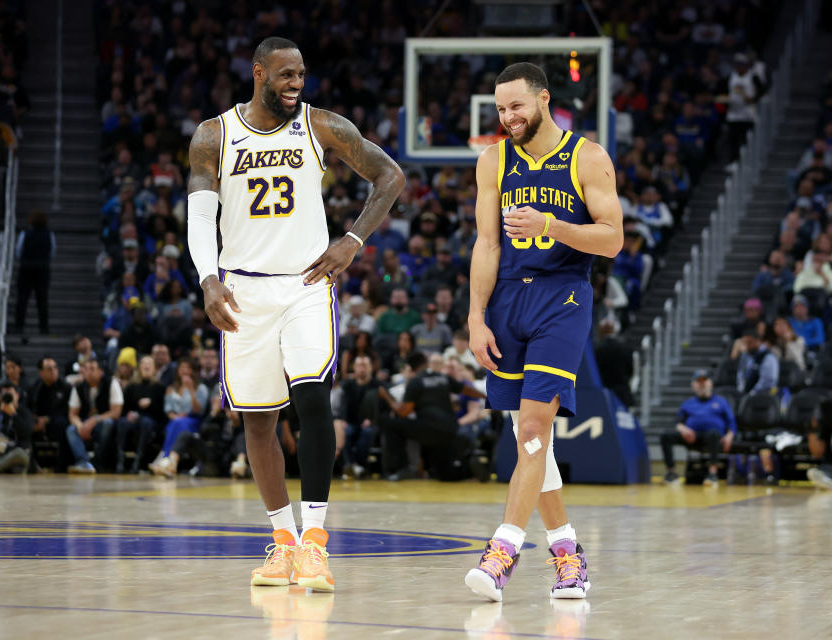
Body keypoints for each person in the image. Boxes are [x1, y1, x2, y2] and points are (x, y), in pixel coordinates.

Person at [186, 37, 404, 592]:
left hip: (306, 284)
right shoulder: (214, 135)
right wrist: (208, 280)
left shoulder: (322, 125)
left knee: (312, 399)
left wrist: (352, 239)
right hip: (243, 290)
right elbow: (199, 216)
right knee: (257, 420)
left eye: (301, 74)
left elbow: (390, 177)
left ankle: (315, 543)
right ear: (258, 72)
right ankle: (282, 543)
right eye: (284, 74)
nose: (295, 83)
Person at [466, 63, 623, 602]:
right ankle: (566, 553)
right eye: (500, 109)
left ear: (544, 100)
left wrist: (551, 225)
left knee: (534, 424)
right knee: (530, 439)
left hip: (564, 294)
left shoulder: (588, 157)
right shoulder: (493, 161)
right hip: (508, 296)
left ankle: (502, 551)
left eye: (516, 107)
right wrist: (474, 316)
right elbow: (486, 245)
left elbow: (612, 239)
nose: (508, 117)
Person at [378, 351, 485, 480]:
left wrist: (387, 398)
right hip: (451, 429)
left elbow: (404, 413)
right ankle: (469, 470)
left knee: (388, 423)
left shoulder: (415, 382)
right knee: (443, 475)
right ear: (426, 364)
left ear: (411, 368)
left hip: (430, 429)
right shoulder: (442, 377)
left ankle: (403, 468)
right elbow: (466, 390)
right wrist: (487, 397)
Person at [661, 370, 736, 486]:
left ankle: (712, 474)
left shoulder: (721, 401)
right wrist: (684, 430)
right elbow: (678, 422)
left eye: (704, 381)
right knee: (665, 435)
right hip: (691, 436)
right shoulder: (688, 403)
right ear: (693, 385)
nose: (702, 384)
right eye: (698, 381)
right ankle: (671, 472)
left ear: (710, 383)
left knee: (713, 434)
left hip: (714, 438)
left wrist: (729, 436)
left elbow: (731, 422)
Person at [149, 359, 208, 476]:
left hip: (193, 420)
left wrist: (191, 389)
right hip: (175, 420)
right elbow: (168, 410)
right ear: (178, 371)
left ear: (193, 371)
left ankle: (164, 457)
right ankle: (168, 461)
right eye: (182, 368)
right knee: (176, 423)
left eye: (188, 368)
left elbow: (199, 410)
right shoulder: (171, 388)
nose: (185, 371)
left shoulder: (201, 388)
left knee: (179, 423)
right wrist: (175, 416)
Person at [65, 357, 123, 473]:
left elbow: (116, 412)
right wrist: (80, 425)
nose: (88, 372)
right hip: (86, 423)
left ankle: (98, 461)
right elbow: (72, 414)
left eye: (92, 369)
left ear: (100, 371)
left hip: (103, 422)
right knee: (71, 429)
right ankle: (83, 462)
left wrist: (95, 420)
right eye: (85, 369)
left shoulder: (111, 383)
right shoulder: (79, 386)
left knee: (108, 423)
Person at [117, 355, 165, 474]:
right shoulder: (131, 386)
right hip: (134, 419)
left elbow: (162, 412)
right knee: (122, 423)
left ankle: (138, 461)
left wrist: (151, 403)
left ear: (154, 369)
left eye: (149, 363)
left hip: (151, 420)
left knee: (146, 422)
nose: (146, 365)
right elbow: (123, 407)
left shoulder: (160, 387)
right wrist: (128, 414)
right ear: (139, 367)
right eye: (143, 363)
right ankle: (120, 460)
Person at [14, 210, 55, 334]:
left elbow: (18, 252)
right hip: (42, 269)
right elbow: (52, 252)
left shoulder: (25, 234)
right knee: (42, 299)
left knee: (22, 298)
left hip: (26, 268)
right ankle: (44, 327)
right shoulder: (49, 235)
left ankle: (19, 326)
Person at [28, 357, 71, 472]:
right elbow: (31, 407)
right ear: (41, 372)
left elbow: (67, 411)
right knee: (25, 425)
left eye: (55, 368)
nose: (53, 371)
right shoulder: (36, 388)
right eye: (49, 369)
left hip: (59, 421)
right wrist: (35, 419)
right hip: (40, 422)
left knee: (62, 424)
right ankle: (31, 464)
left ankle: (61, 466)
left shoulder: (66, 387)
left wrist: (48, 420)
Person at [736, 328, 780, 396]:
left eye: (749, 342)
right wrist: (741, 390)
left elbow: (767, 381)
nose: (746, 346)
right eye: (744, 343)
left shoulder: (768, 357)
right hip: (746, 394)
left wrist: (752, 393)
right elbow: (740, 374)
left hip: (764, 395)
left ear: (757, 341)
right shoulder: (745, 356)